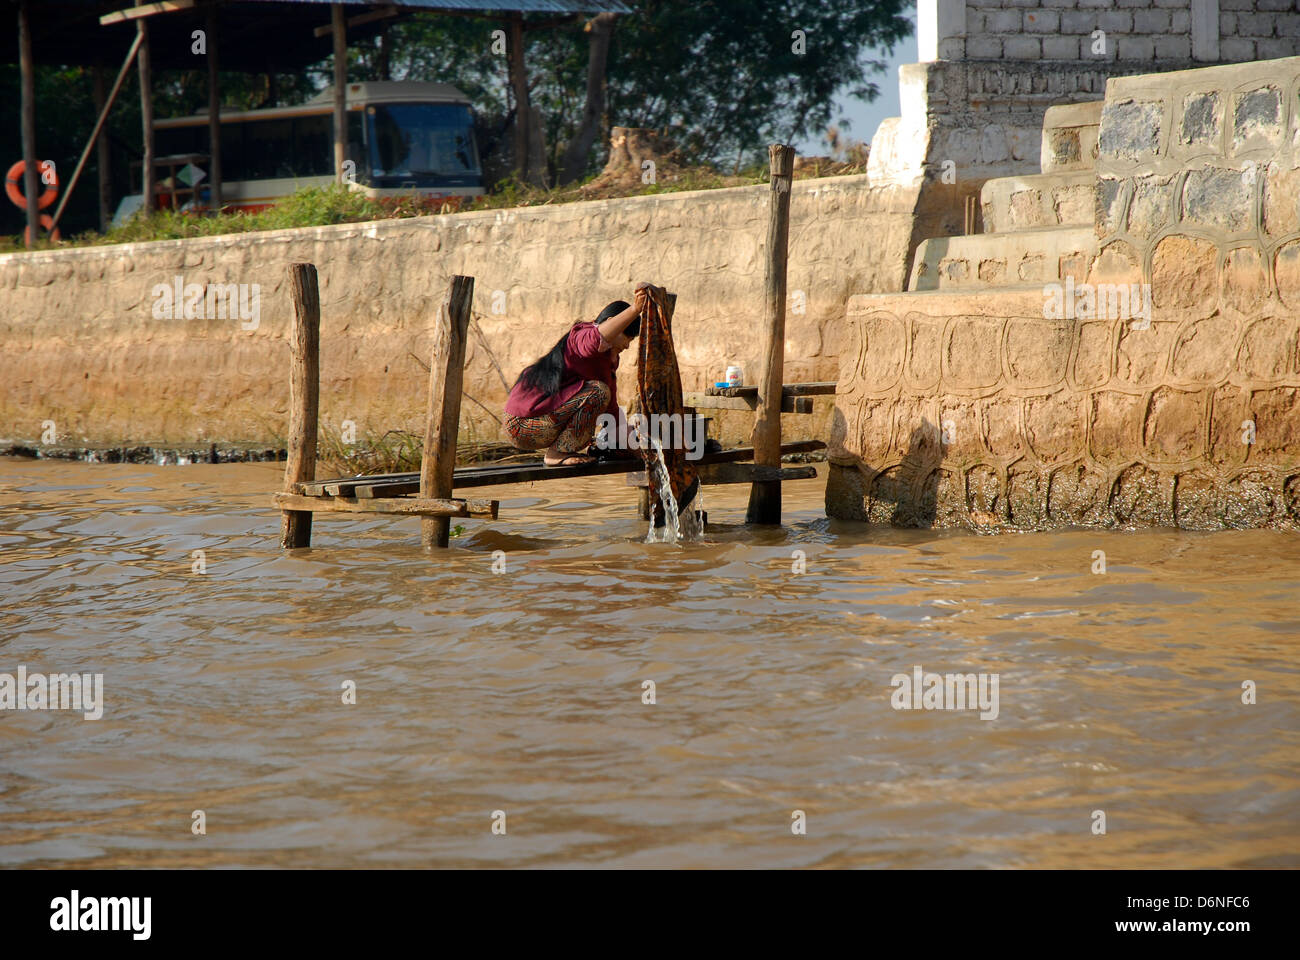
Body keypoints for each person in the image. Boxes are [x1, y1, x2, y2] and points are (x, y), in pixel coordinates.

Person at [504, 283, 656, 466]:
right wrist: (635, 309)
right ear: (609, 323)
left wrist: (641, 451)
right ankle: (556, 455)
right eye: (627, 338)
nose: (627, 346)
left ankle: (559, 452)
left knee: (603, 398)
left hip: (538, 425)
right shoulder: (580, 336)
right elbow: (595, 339)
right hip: (522, 426)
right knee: (599, 392)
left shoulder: (607, 366)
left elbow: (613, 415)